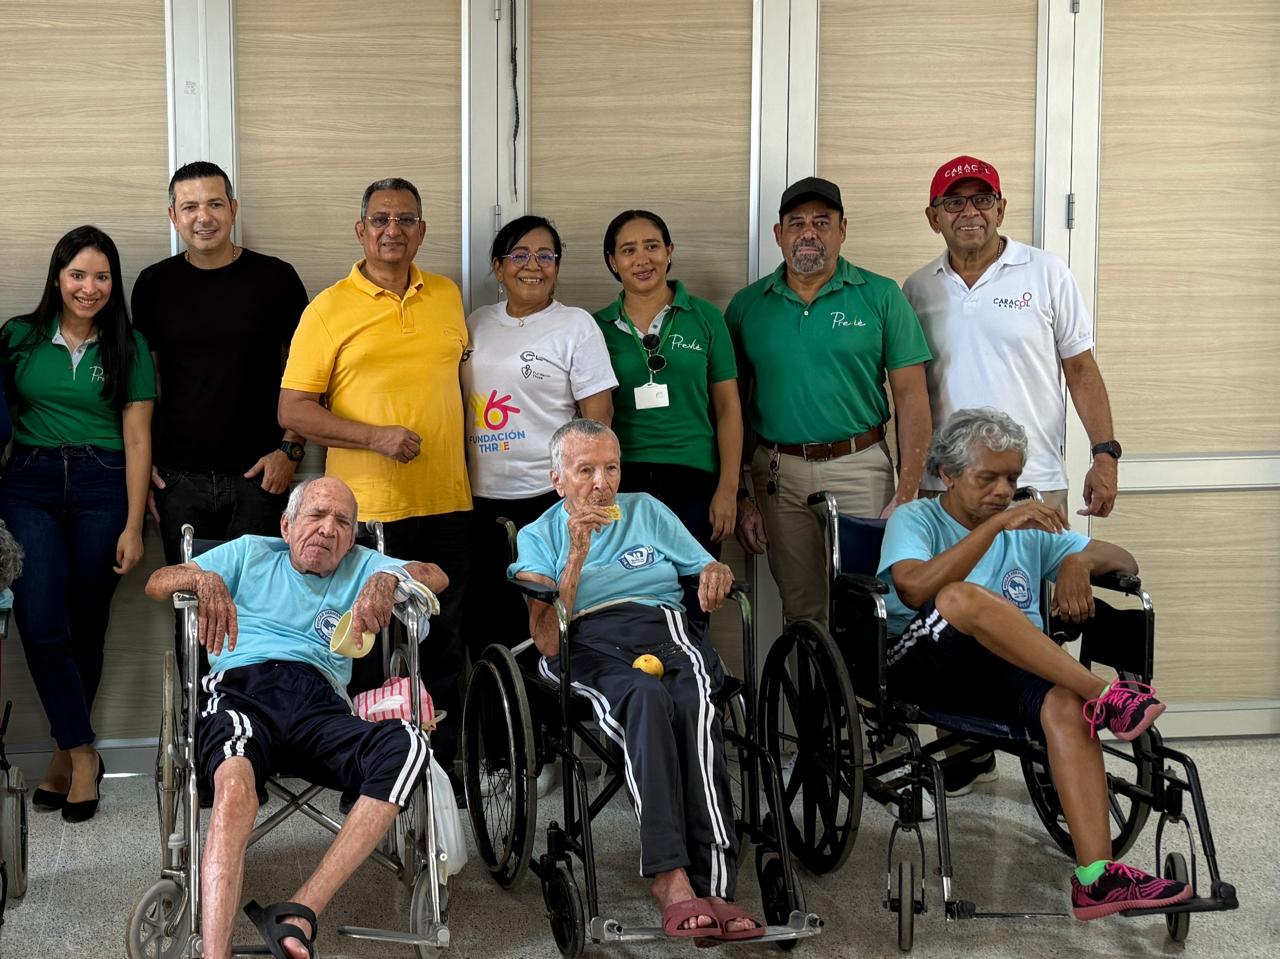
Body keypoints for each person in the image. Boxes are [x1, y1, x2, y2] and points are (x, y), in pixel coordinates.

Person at [877, 408, 1190, 920]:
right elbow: (912, 588)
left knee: (1064, 705)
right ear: (949, 474)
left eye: (1012, 478)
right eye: (988, 478)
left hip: (1005, 670)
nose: (1004, 491)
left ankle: (1097, 878)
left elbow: (1123, 559)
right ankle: (1104, 696)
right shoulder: (918, 519)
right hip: (928, 663)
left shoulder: (1028, 530)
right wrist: (996, 526)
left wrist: (1075, 562)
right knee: (960, 596)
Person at [144, 477, 448, 959]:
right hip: (244, 692)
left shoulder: (362, 564)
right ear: (286, 525)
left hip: (321, 705)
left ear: (352, 537)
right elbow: (158, 582)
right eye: (316, 515)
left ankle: (299, 913)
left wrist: (390, 578)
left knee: (408, 744)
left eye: (342, 522)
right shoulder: (249, 552)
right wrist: (203, 579)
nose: (328, 529)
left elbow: (436, 575)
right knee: (234, 786)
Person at [510, 419, 763, 943]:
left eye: (611, 468)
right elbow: (549, 642)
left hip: (662, 627)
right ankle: (669, 874)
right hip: (585, 641)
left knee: (695, 700)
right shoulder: (539, 535)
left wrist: (715, 572)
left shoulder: (646, 509)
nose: (602, 483)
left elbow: (705, 566)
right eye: (586, 470)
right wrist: (576, 552)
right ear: (557, 480)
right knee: (645, 698)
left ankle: (716, 883)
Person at [278, 177, 471, 770]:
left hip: (448, 500)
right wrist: (374, 437)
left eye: (406, 220)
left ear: (422, 230)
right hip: (366, 511)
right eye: (381, 220)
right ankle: (368, 771)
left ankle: (442, 774)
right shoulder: (328, 308)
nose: (393, 230)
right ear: (361, 231)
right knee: (364, 645)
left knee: (444, 643)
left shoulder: (447, 295)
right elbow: (293, 410)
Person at [727, 176, 932, 628]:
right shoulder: (747, 306)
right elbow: (730, 408)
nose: (809, 232)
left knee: (870, 605)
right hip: (778, 474)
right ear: (778, 234)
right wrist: (739, 494)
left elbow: (912, 399)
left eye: (822, 222)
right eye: (796, 223)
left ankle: (861, 681)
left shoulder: (881, 296)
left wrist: (908, 491)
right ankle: (808, 681)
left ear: (842, 230)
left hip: (861, 467)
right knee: (802, 611)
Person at [0, 225, 155, 823]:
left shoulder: (129, 346)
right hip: (29, 485)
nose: (89, 288)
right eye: (77, 275)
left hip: (102, 485)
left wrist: (134, 525)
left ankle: (62, 758)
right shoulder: (18, 336)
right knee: (41, 623)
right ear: (57, 277)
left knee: (87, 625)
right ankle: (84, 753)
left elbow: (137, 439)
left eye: (102, 276)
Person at [903, 155, 1120, 521]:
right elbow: (909, 394)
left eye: (982, 200)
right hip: (946, 487)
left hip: (1031, 482)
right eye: (954, 203)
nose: (970, 212)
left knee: (1038, 563)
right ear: (933, 218)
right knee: (947, 565)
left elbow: (1081, 369)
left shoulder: (1048, 273)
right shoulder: (917, 289)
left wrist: (1105, 455)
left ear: (1000, 210)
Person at [132, 160, 311, 571]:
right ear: (173, 216)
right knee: (190, 602)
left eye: (214, 204)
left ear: (233, 208)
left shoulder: (277, 278)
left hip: (261, 475)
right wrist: (144, 470)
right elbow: (147, 384)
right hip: (178, 480)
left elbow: (310, 376)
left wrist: (291, 450)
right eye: (190, 207)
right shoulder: (153, 285)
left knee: (255, 603)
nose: (204, 217)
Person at [461, 215, 615, 661]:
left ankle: (545, 707)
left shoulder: (575, 325)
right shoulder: (476, 322)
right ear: (498, 266)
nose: (533, 265)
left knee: (543, 625)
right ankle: (494, 706)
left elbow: (599, 420)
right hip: (477, 500)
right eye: (520, 255)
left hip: (547, 501)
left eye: (546, 256)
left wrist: (589, 496)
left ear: (557, 267)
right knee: (484, 624)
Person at [595, 210, 743, 623]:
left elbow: (729, 408)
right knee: (630, 600)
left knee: (695, 601)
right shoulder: (596, 327)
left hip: (694, 479)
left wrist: (729, 490)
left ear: (670, 251)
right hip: (624, 481)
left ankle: (691, 664)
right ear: (613, 261)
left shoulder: (706, 318)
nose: (642, 259)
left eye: (652, 246)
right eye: (628, 250)